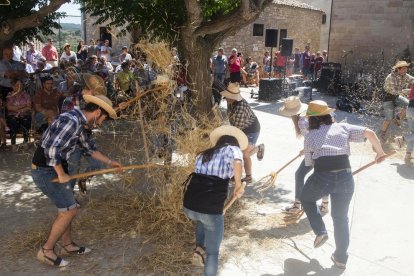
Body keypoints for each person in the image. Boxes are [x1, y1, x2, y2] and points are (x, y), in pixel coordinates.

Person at [31, 93, 121, 267]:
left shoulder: (79, 123)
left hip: (54, 169)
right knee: (69, 210)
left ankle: (67, 245)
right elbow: (51, 148)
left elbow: (89, 149)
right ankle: (47, 250)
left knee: (68, 206)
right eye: (103, 118)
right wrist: (60, 173)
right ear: (97, 112)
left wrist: (110, 162)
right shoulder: (71, 121)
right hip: (44, 171)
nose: (102, 122)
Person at [300, 100, 386, 269]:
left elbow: (310, 163)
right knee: (341, 219)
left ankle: (320, 231)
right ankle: (340, 258)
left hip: (322, 175)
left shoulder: (310, 135)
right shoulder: (343, 127)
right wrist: (380, 153)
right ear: (328, 115)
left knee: (306, 199)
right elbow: (369, 133)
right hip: (345, 176)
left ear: (311, 119)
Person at [183, 125, 247, 276]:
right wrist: (238, 184)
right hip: (210, 208)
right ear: (234, 142)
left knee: (202, 220)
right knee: (213, 253)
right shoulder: (232, 149)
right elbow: (238, 161)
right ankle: (205, 254)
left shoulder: (204, 154)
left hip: (190, 205)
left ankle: (199, 249)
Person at [279, 97, 329, 214]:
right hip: (326, 150)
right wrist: (305, 148)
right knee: (323, 176)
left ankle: (297, 205)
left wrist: (307, 148)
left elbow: (312, 139)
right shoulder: (314, 114)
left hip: (316, 152)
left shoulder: (301, 121)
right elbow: (317, 135)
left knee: (300, 174)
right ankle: (325, 205)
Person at [220, 82, 264, 183]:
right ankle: (235, 174)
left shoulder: (239, 107)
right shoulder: (231, 102)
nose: (225, 98)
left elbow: (237, 130)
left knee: (244, 154)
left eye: (227, 96)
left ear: (233, 97)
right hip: (242, 128)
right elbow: (231, 120)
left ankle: (248, 177)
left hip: (251, 129)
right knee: (238, 151)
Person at [380, 60, 414, 140]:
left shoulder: (405, 75)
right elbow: (394, 91)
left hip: (396, 96)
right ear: (398, 69)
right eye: (403, 69)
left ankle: (398, 118)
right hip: (388, 98)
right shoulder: (391, 77)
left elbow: (413, 80)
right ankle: (383, 133)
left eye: (406, 69)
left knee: (409, 105)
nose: (405, 70)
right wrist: (408, 91)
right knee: (389, 118)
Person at [6, 79, 32, 151]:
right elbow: (9, 107)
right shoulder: (9, 95)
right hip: (12, 115)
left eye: (20, 85)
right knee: (12, 121)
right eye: (16, 85)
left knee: (26, 120)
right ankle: (13, 143)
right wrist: (22, 106)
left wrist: (18, 110)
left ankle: (25, 142)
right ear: (12, 86)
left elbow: (29, 107)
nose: (19, 87)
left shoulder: (26, 95)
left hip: (24, 113)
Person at [395, 82, 414, 164]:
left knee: (413, 134)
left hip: (410, 110)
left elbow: (410, 91)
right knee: (412, 134)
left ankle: (408, 154)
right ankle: (402, 139)